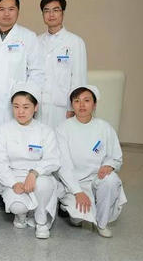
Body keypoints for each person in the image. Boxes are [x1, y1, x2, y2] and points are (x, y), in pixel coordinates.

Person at [56, 85, 126, 238]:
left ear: (94, 104)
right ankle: (74, 214)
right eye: (77, 101)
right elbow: (63, 165)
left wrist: (109, 165)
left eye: (86, 100)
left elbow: (115, 156)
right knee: (78, 216)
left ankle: (102, 224)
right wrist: (78, 192)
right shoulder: (63, 129)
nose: (81, 105)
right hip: (73, 183)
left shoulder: (104, 128)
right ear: (72, 105)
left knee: (111, 180)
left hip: (97, 179)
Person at [0, 83, 61, 239]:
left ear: (35, 107)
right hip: (12, 176)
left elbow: (53, 159)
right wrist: (13, 183)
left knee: (43, 184)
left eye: (26, 107)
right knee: (18, 207)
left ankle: (41, 220)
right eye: (16, 107)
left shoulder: (45, 131)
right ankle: (21, 216)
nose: (21, 111)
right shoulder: (3, 130)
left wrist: (34, 172)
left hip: (39, 176)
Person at [0, 0, 44, 130]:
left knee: (15, 139)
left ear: (18, 11)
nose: (6, 14)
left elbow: (37, 72)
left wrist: (27, 100)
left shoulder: (28, 36)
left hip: (17, 105)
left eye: (11, 9)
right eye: (2, 9)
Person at [38, 0, 87, 129]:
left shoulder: (75, 42)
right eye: (47, 11)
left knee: (62, 139)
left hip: (63, 108)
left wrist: (73, 107)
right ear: (43, 15)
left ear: (63, 13)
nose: (51, 14)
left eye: (56, 10)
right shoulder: (36, 41)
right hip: (39, 106)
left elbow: (79, 78)